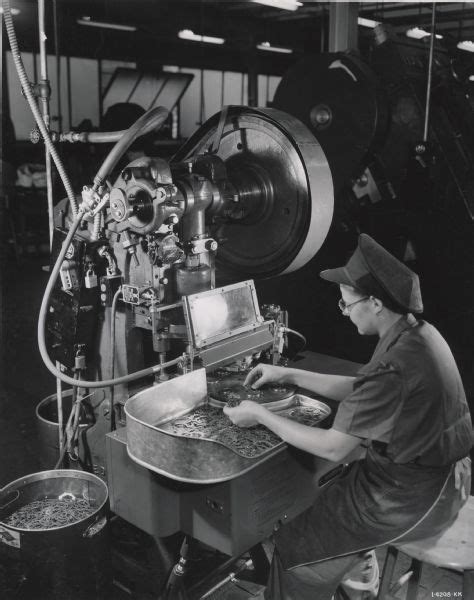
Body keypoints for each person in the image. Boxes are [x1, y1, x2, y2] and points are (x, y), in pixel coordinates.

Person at [224, 233, 473, 600]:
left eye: (346, 304)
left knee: (294, 544)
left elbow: (334, 448)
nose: (343, 312)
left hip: (411, 497)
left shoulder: (396, 362)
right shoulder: (417, 334)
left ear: (374, 302)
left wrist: (260, 414)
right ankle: (360, 583)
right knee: (332, 496)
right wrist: (289, 374)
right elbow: (363, 386)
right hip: (450, 479)